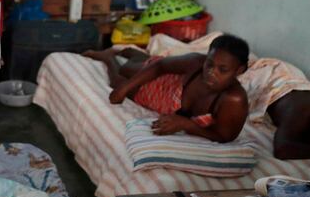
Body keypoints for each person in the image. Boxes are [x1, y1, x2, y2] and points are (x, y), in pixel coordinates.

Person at [84, 34, 250, 143]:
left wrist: (186, 124)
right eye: (210, 64)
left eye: (223, 70)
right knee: (126, 72)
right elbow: (161, 66)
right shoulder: (196, 62)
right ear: (206, 58)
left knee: (119, 81)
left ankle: (109, 59)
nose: (211, 73)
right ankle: (115, 56)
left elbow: (224, 136)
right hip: (167, 78)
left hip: (167, 98)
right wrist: (125, 88)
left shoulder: (233, 99)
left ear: (239, 70)